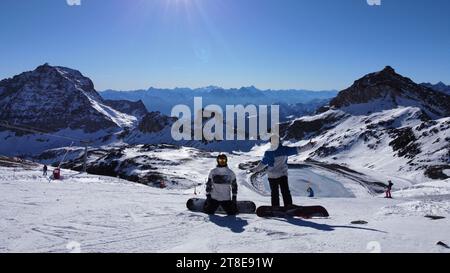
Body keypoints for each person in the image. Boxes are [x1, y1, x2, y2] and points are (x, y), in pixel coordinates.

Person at [250, 135, 315, 207]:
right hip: (282, 175)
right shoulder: (285, 149)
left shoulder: (268, 152)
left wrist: (254, 170)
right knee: (285, 192)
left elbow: (262, 164)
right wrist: (310, 145)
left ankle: (275, 207)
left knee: (274, 193)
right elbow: (299, 149)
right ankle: (288, 206)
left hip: (272, 176)